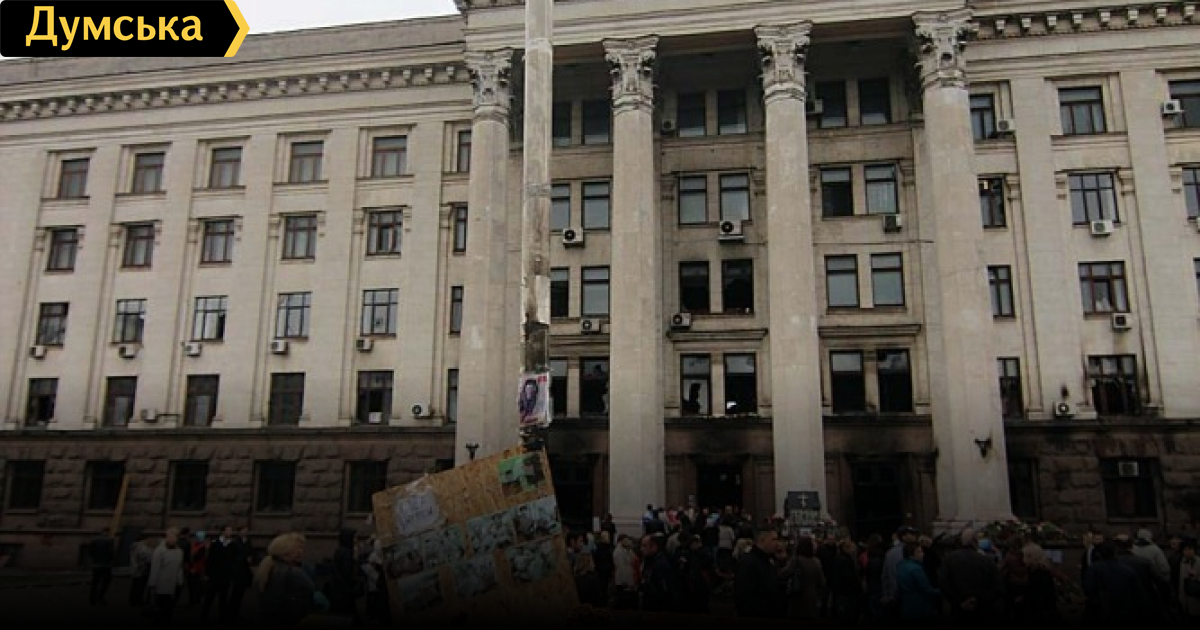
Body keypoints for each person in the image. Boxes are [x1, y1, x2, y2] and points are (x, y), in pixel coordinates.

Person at [255, 532, 318, 630]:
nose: (301, 552)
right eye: (298, 548)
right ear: (286, 552)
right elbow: (310, 592)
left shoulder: (268, 568)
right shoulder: (293, 573)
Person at [148, 527, 186, 629]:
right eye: (169, 536)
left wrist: (180, 581)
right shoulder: (159, 551)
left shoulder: (179, 551)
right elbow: (155, 568)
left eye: (174, 537)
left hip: (173, 584)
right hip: (161, 584)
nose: (171, 539)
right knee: (160, 608)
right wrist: (152, 584)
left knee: (169, 609)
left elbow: (179, 567)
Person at [87, 527, 116, 606]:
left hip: (96, 564)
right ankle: (100, 597)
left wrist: (93, 560)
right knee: (106, 582)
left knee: (95, 582)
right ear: (107, 532)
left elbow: (90, 552)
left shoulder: (94, 540)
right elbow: (110, 552)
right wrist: (111, 561)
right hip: (105, 565)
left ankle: (92, 598)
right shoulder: (109, 540)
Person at [129, 532, 155, 607]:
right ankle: (137, 600)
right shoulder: (142, 547)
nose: (151, 541)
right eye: (150, 539)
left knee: (136, 585)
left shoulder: (136, 546)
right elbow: (146, 556)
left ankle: (133, 600)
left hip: (137, 568)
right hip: (141, 568)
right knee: (139, 586)